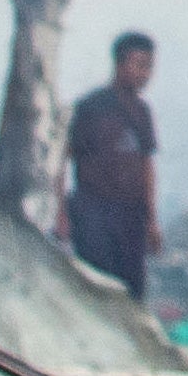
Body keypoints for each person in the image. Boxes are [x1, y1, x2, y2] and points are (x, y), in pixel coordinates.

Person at [63, 29, 164, 292]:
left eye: (149, 67)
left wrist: (151, 220)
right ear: (120, 63)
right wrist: (62, 213)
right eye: (139, 65)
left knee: (131, 291)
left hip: (130, 217)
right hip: (93, 212)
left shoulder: (142, 113)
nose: (145, 74)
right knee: (95, 286)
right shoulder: (91, 107)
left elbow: (146, 165)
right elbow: (64, 158)